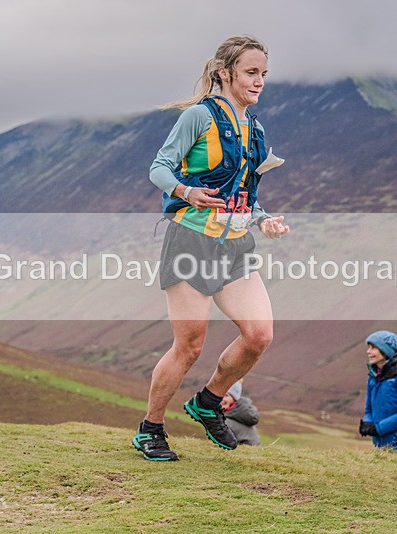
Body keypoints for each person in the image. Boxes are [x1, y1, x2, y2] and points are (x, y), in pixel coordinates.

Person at [132, 35, 289, 461]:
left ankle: (208, 401)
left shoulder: (255, 129)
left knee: (259, 335)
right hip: (190, 240)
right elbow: (159, 167)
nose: (259, 82)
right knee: (189, 345)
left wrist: (264, 219)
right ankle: (151, 429)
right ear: (226, 73)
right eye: (251, 73)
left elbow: (245, 193)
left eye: (263, 74)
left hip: (235, 244)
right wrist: (186, 190)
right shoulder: (198, 117)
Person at [358, 331, 397, 450]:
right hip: (378, 446)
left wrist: (378, 428)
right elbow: (369, 409)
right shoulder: (373, 376)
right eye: (368, 347)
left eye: (373, 348)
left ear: (386, 351)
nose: (368, 352)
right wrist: (367, 423)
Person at [221, 381, 261, 446]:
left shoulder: (227, 420)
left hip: (247, 451)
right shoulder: (238, 414)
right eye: (220, 395)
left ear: (234, 398)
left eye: (226, 395)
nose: (221, 399)